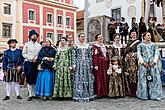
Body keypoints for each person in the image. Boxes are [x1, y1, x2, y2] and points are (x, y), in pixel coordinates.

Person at [137, 32, 163, 100]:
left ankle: (155, 95)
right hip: (144, 64)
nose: (149, 36)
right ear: (144, 37)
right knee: (143, 80)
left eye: (150, 35)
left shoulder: (154, 45)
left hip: (152, 64)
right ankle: (144, 95)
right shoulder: (140, 45)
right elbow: (139, 54)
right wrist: (143, 62)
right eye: (148, 35)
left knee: (155, 79)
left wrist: (154, 62)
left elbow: (157, 53)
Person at [72, 33, 95, 102]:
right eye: (81, 36)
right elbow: (74, 56)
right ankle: (79, 95)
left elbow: (90, 56)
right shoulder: (75, 46)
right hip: (78, 64)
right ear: (78, 38)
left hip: (87, 64)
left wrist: (91, 64)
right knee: (79, 79)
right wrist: (74, 64)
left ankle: (88, 95)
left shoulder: (88, 46)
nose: (83, 38)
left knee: (87, 79)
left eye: (84, 36)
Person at [22, 30, 41, 101]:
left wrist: (36, 58)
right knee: (29, 78)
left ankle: (34, 93)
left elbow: (40, 54)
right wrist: (30, 58)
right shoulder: (26, 44)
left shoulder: (39, 45)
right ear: (30, 37)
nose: (35, 36)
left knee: (35, 78)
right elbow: (23, 54)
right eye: (33, 35)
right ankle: (30, 94)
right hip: (28, 63)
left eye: (35, 35)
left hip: (36, 63)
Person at [108, 33, 125, 97]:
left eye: (118, 38)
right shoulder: (112, 47)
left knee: (121, 77)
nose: (118, 39)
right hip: (114, 63)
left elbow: (123, 55)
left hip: (121, 63)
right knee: (114, 77)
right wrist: (111, 64)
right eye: (116, 38)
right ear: (114, 39)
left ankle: (121, 93)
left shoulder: (122, 46)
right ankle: (114, 93)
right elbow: (110, 56)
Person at [124, 29, 141, 97]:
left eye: (135, 33)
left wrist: (135, 54)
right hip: (129, 62)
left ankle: (136, 91)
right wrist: (127, 55)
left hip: (136, 61)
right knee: (129, 77)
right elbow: (126, 51)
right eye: (132, 33)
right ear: (130, 35)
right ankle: (130, 91)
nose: (133, 35)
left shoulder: (139, 42)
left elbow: (140, 51)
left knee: (136, 77)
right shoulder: (128, 42)